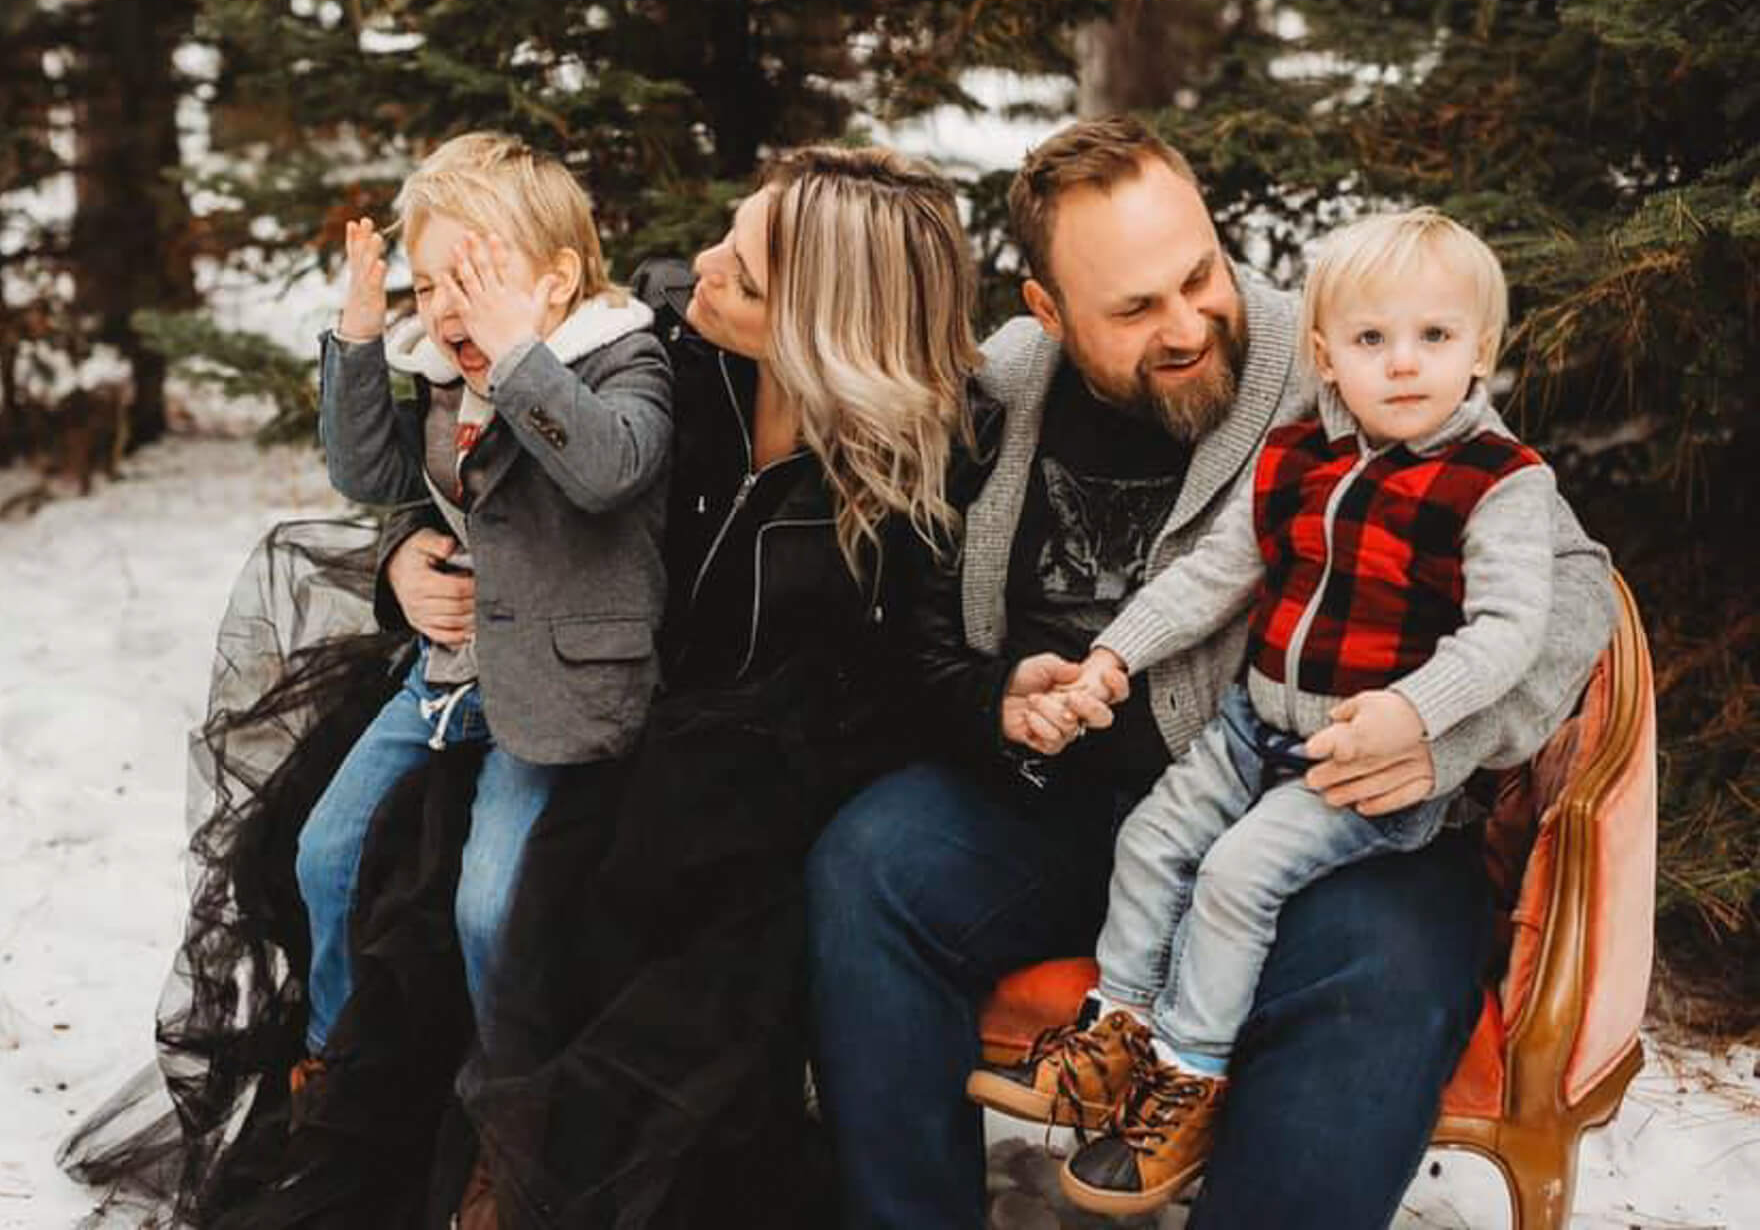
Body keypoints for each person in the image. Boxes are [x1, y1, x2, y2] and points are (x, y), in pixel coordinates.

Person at [805, 118, 1617, 1229]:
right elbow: (905, 596)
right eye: (1135, 310)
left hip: (1334, 803)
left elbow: (1570, 583)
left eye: (1201, 275)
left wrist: (1444, 737)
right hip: (1077, 809)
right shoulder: (1004, 382)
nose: (1187, 325)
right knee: (870, 862)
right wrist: (994, 699)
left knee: (1375, 978)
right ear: (1048, 311)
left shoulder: (1337, 351)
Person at [383, 144, 987, 1229]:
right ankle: (520, 1154)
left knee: (692, 906)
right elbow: (475, 466)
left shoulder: (910, 475)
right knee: (515, 871)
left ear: (820, 330)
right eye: (728, 232)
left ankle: (590, 1173)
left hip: (778, 771)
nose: (698, 264)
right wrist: (396, 560)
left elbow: (922, 678)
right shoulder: (675, 357)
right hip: (613, 705)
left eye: (743, 275)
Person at [964, 208, 1562, 1216]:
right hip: (1252, 728)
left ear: (1481, 353)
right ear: (1325, 356)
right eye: (1372, 341)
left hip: (1354, 762)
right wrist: (1111, 653)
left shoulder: (1496, 483)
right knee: (1153, 840)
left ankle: (1186, 1075)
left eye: (1435, 339)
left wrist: (1414, 717)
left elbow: (1510, 629)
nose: (1404, 365)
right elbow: (1212, 577)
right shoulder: (1295, 457)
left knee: (1235, 877)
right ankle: (1113, 1037)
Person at [301, 131, 672, 1093]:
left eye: (476, 276)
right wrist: (359, 331)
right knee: (327, 851)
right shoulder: (441, 374)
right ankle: (340, 1066)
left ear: (555, 280)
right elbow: (373, 475)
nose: (448, 306)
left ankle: (514, 1101)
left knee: (490, 903)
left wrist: (514, 360)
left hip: (561, 692)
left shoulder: (620, 357)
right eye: (428, 284)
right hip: (451, 671)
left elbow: (606, 470)